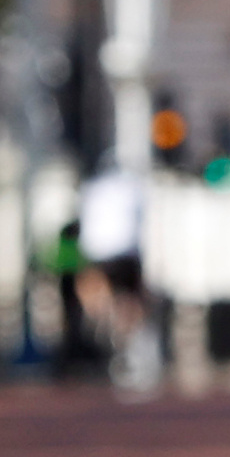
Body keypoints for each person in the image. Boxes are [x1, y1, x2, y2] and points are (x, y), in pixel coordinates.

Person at [75, 153, 156, 388]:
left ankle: (101, 327)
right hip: (126, 251)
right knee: (131, 299)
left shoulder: (91, 188)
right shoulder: (134, 186)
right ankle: (128, 340)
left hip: (98, 252)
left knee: (95, 293)